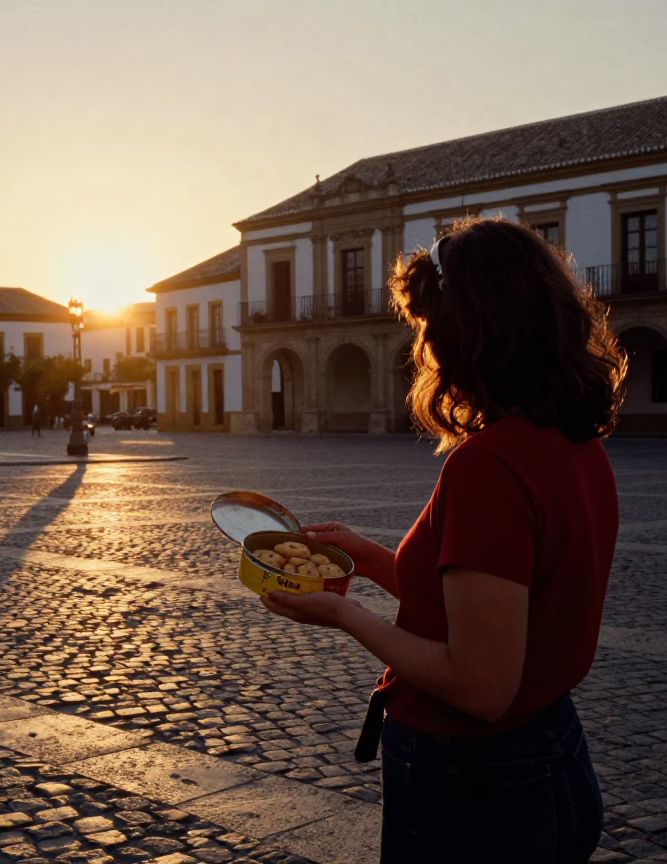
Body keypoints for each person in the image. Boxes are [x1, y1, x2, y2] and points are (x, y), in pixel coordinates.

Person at [261, 218, 626, 864]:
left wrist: (344, 613)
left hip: (475, 788)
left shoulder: (488, 465)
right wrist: (370, 561)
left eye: (431, 325)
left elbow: (479, 683)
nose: (425, 345)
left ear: (472, 332)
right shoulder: (578, 446)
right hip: (553, 758)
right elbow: (489, 612)